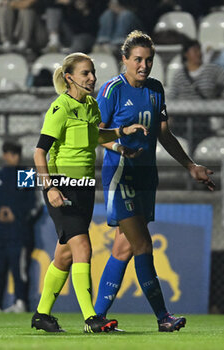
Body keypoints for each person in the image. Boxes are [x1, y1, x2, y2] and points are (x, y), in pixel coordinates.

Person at [93, 30, 215, 332]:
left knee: (123, 248)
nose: (143, 66)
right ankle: (163, 317)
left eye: (148, 60)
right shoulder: (111, 91)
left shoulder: (155, 90)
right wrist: (119, 145)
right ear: (124, 60)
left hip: (147, 178)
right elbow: (95, 133)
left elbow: (164, 134)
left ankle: (95, 319)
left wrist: (190, 165)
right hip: (121, 177)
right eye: (137, 59)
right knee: (143, 244)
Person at [31, 52, 147, 333]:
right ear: (69, 77)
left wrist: (122, 134)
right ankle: (92, 318)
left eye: (93, 72)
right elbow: (39, 152)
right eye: (85, 73)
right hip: (62, 188)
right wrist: (50, 187)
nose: (92, 77)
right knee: (82, 247)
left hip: (83, 190)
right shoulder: (60, 108)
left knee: (65, 256)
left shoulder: (91, 106)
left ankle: (41, 315)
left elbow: (95, 136)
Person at [0, 141, 39, 313]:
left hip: (18, 233)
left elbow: (33, 204)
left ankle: (20, 301)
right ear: (5, 155)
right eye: (11, 153)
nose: (14, 157)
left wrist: (15, 214)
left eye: (16, 154)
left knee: (19, 270)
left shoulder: (24, 174)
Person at [168, 38, 224, 147]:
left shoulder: (212, 70)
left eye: (199, 50)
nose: (199, 53)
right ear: (186, 54)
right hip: (182, 119)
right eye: (195, 50)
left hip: (204, 117)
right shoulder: (179, 75)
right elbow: (172, 98)